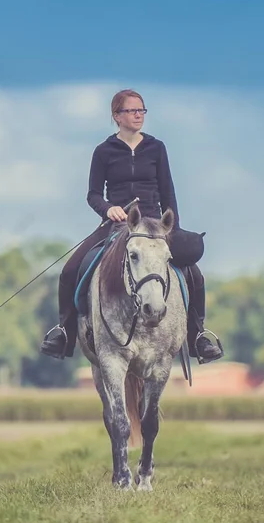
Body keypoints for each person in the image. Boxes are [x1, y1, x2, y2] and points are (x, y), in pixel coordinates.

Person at [39, 88, 225, 364]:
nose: (138, 115)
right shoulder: (103, 151)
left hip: (155, 226)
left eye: (142, 110)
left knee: (195, 276)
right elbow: (92, 194)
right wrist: (108, 208)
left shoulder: (156, 147)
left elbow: (168, 191)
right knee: (69, 270)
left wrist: (172, 229)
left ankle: (198, 336)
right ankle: (63, 334)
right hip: (117, 224)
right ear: (117, 115)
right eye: (132, 110)